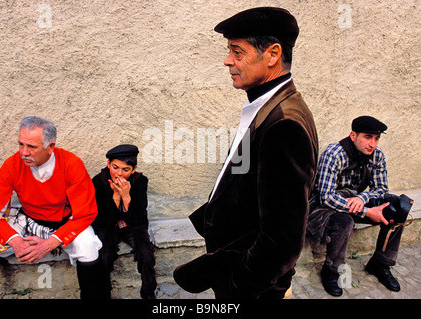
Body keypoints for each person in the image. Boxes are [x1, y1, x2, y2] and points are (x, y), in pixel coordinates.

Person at [173, 7, 319, 299]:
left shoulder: (284, 125)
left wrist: (236, 286)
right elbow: (245, 177)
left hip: (253, 288)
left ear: (273, 54)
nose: (228, 61)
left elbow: (283, 242)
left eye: (237, 52)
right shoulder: (267, 104)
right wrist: (214, 216)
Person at [0, 116, 109, 299]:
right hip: (27, 219)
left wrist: (49, 243)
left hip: (64, 223)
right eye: (21, 144)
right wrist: (15, 241)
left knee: (87, 244)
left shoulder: (71, 163)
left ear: (50, 147)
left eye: (32, 147)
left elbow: (85, 212)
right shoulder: (13, 164)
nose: (24, 152)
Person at [307, 115, 412, 296]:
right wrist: (366, 211)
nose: (372, 144)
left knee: (398, 208)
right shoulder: (334, 154)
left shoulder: (376, 155)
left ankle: (380, 264)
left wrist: (363, 198)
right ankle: (331, 270)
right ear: (353, 136)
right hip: (327, 206)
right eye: (368, 137)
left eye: (376, 138)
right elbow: (326, 197)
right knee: (344, 221)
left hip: (357, 199)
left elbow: (381, 188)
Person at [92, 144, 157, 299]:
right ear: (108, 164)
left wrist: (126, 196)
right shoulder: (98, 182)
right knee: (103, 256)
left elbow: (140, 218)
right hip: (108, 226)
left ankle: (148, 295)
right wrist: (115, 195)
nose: (119, 173)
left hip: (133, 226)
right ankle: (104, 294)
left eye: (125, 170)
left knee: (146, 255)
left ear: (133, 169)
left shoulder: (140, 182)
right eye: (115, 167)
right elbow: (102, 221)